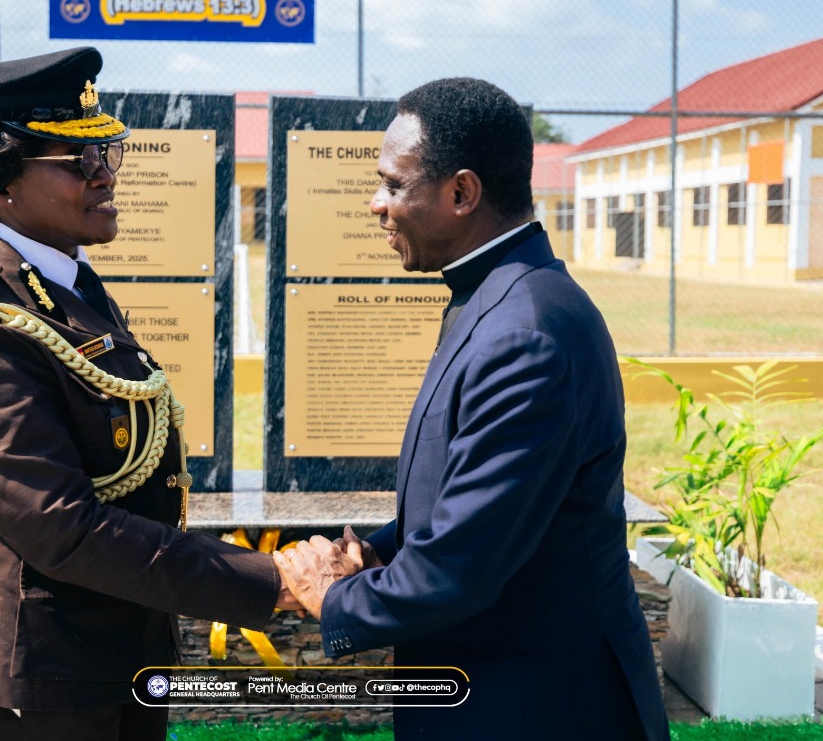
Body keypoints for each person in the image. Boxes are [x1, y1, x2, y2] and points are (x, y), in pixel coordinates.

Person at [274, 78, 670, 740]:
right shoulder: (496, 296)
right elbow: (465, 502)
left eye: (393, 184)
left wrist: (333, 593)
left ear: (461, 193)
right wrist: (368, 553)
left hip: (535, 707)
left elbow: (461, 566)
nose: (376, 204)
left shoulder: (526, 332)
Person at [0, 47, 289, 741]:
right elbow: (63, 527)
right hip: (31, 680)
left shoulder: (65, 285)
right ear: (2, 182)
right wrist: (272, 578)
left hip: (112, 653)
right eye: (77, 160)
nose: (104, 174)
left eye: (106, 153)